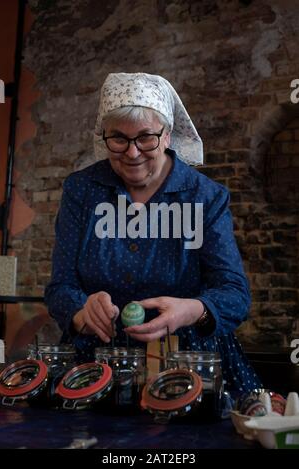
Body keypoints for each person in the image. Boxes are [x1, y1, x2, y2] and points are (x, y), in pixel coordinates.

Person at [45, 72, 261, 393]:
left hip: (188, 362)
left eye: (146, 137)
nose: (132, 153)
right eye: (118, 138)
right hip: (96, 361)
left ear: (167, 135)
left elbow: (235, 294)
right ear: (103, 136)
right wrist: (80, 311)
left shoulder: (205, 196)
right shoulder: (82, 190)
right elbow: (60, 286)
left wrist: (190, 310)